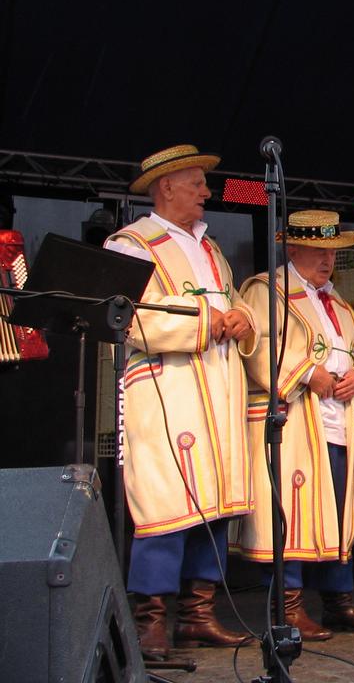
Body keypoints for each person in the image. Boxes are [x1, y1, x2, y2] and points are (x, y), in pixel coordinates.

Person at [104, 144, 257, 660]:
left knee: (214, 501)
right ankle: (150, 620)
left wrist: (241, 318)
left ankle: (198, 616)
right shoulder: (131, 244)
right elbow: (128, 316)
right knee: (166, 502)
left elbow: (233, 303)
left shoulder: (210, 249)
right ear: (166, 186)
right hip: (166, 387)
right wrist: (204, 321)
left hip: (218, 385)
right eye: (197, 183)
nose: (206, 192)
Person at [234, 210, 354, 640]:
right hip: (295, 421)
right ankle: (288, 606)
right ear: (293, 249)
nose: (327, 259)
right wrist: (305, 373)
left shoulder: (340, 305)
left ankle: (338, 602)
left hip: (337, 423)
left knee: (337, 511)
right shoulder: (267, 290)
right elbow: (256, 347)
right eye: (319, 250)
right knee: (291, 511)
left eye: (332, 252)